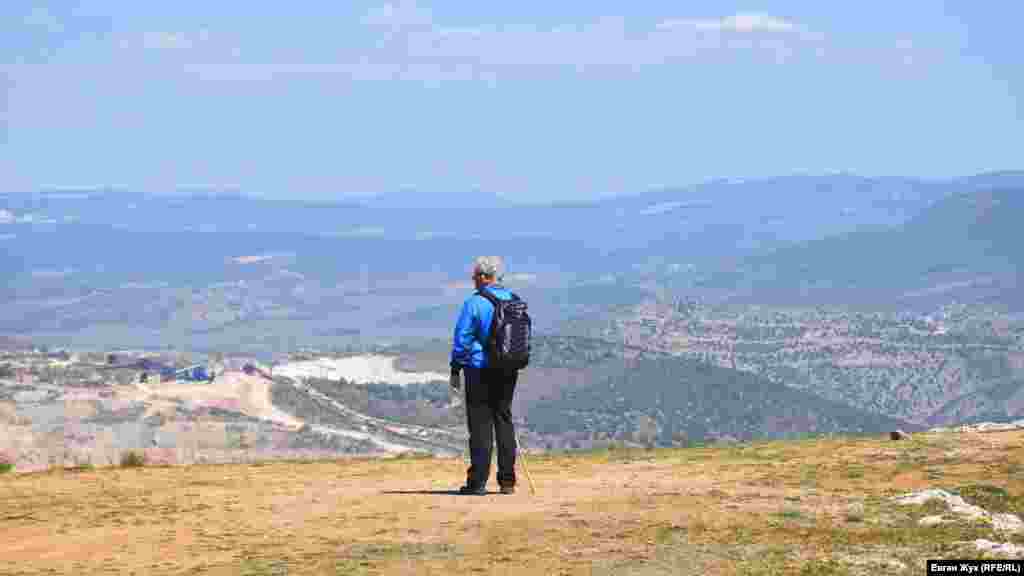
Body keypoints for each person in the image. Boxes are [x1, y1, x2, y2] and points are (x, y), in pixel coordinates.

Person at [450, 256, 519, 495]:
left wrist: (455, 367)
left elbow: (462, 339)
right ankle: (507, 481)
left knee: (480, 425)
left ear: (482, 277)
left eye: (474, 276)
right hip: (509, 369)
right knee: (504, 420)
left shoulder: (475, 303)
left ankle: (477, 482)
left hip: (479, 369)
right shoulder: (513, 300)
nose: (473, 280)